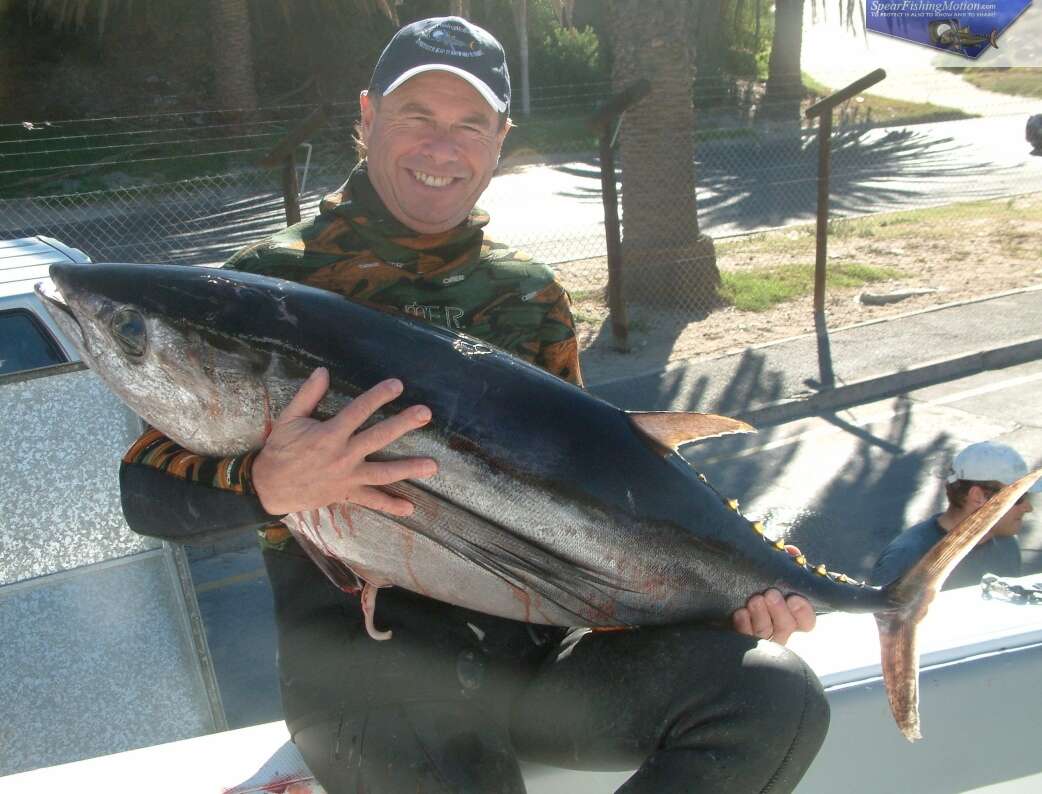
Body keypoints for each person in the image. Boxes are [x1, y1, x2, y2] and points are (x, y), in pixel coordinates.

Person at [120, 16, 828, 793]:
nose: (440, 148)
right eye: (415, 116)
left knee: (775, 695)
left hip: (532, 658)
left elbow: (597, 495)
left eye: (469, 124)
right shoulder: (265, 288)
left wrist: (729, 594)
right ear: (366, 117)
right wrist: (268, 485)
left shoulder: (528, 295)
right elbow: (146, 491)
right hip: (368, 675)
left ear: (500, 140)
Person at [873, 440, 1039, 590]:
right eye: (1018, 498)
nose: (1028, 507)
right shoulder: (906, 557)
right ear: (978, 497)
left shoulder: (1007, 545)